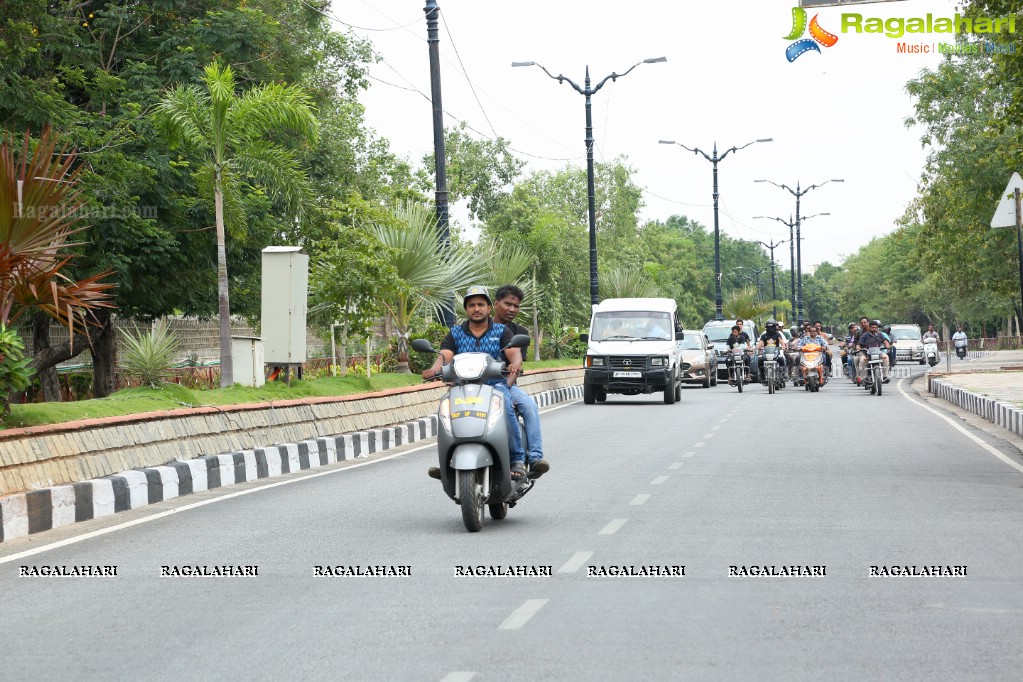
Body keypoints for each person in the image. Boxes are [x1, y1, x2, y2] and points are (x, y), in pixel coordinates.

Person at [424, 286, 529, 481]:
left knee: (506, 405)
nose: (476, 308)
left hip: (495, 387)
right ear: (466, 309)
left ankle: (517, 459)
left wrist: (515, 364)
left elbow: (513, 353)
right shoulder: (456, 333)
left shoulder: (501, 330)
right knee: (444, 411)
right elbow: (445, 354)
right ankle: (445, 460)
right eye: (471, 305)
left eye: (481, 304)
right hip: (461, 388)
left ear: (489, 308)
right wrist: (435, 368)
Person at [492, 284, 549, 478]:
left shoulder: (520, 333)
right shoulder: (479, 328)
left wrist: (505, 387)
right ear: (495, 304)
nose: (512, 309)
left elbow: (516, 364)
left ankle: (534, 458)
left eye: (516, 306)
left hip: (505, 385)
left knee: (529, 406)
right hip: (473, 387)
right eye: (507, 304)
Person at [856, 319, 891, 383]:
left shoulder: (880, 334)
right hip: (867, 353)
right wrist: (859, 348)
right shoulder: (865, 335)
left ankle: (885, 376)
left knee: (886, 358)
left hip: (878, 353)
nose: (874, 329)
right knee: (862, 360)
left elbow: (885, 341)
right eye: (872, 327)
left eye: (875, 327)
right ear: (869, 327)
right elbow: (858, 344)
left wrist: (887, 345)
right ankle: (863, 377)